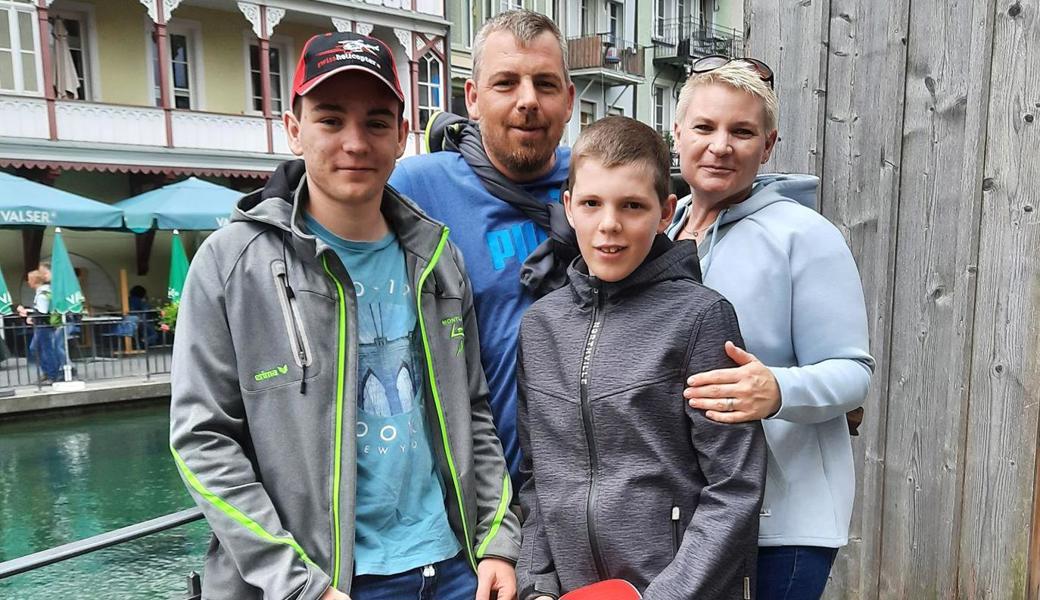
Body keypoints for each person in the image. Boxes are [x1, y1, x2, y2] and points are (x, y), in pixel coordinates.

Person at [169, 31, 519, 600]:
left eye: (377, 122)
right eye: (331, 120)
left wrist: (498, 540)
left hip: (454, 569)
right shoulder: (232, 264)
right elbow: (203, 441)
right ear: (293, 127)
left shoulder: (438, 257)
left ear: (402, 135)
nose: (355, 142)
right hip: (325, 584)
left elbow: (472, 410)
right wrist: (301, 586)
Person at [515, 117, 766, 600]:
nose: (609, 224)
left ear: (666, 210)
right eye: (591, 203)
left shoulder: (701, 318)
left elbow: (734, 486)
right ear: (568, 207)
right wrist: (538, 584)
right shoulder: (540, 326)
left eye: (632, 206)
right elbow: (536, 477)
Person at [666, 58, 874, 599]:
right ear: (678, 132)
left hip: (782, 523)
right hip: (690, 514)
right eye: (705, 127)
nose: (720, 145)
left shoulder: (805, 237)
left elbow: (853, 373)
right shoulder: (661, 230)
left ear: (769, 144)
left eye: (742, 131)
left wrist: (777, 388)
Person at [389, 9, 576, 482]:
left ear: (570, 100)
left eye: (546, 84)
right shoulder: (416, 189)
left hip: (587, 492)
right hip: (473, 495)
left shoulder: (603, 183)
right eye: (506, 83)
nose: (528, 101)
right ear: (472, 98)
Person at [18, 264, 64, 383]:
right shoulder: (44, 291)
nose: (28, 282)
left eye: (29, 279)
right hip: (44, 325)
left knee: (43, 349)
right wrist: (30, 313)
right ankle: (49, 372)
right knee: (38, 348)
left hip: (44, 326)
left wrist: (30, 316)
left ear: (34, 280)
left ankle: (51, 374)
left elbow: (42, 312)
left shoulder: (42, 293)